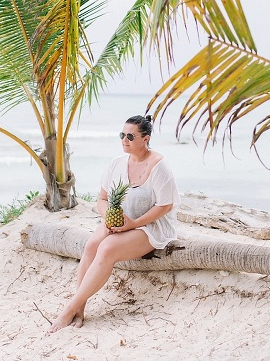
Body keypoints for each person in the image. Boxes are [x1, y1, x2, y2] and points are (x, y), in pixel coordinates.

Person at [48, 114, 180, 333]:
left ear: (145, 139)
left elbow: (166, 206)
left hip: (149, 225)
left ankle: (68, 310)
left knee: (107, 248)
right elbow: (102, 199)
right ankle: (80, 309)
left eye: (130, 136)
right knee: (91, 245)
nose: (124, 140)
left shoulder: (158, 166)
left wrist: (134, 223)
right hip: (119, 220)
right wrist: (108, 217)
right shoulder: (117, 164)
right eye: (122, 135)